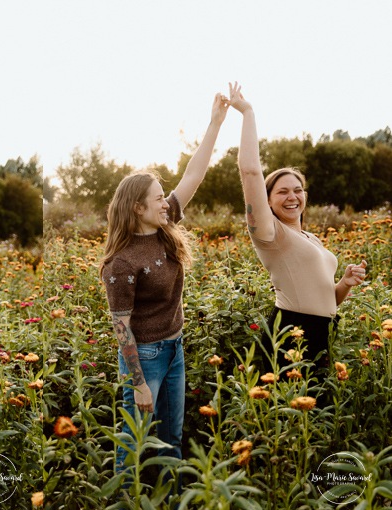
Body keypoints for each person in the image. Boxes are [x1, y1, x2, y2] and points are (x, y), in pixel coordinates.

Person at [101, 92, 229, 477]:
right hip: (145, 357)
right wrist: (138, 383)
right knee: (134, 442)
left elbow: (195, 174)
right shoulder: (120, 262)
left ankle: (171, 508)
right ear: (138, 208)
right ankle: (127, 509)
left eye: (163, 198)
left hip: (175, 348)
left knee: (172, 438)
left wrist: (215, 123)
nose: (165, 203)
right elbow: (121, 328)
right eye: (158, 199)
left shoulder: (164, 223)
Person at [229, 82, 367, 377]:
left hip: (320, 333)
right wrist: (248, 113)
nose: (292, 197)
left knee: (316, 420)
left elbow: (326, 298)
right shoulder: (269, 233)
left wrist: (344, 283)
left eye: (298, 190)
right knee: (295, 418)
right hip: (292, 334)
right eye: (282, 192)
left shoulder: (310, 238)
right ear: (266, 200)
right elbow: (251, 171)